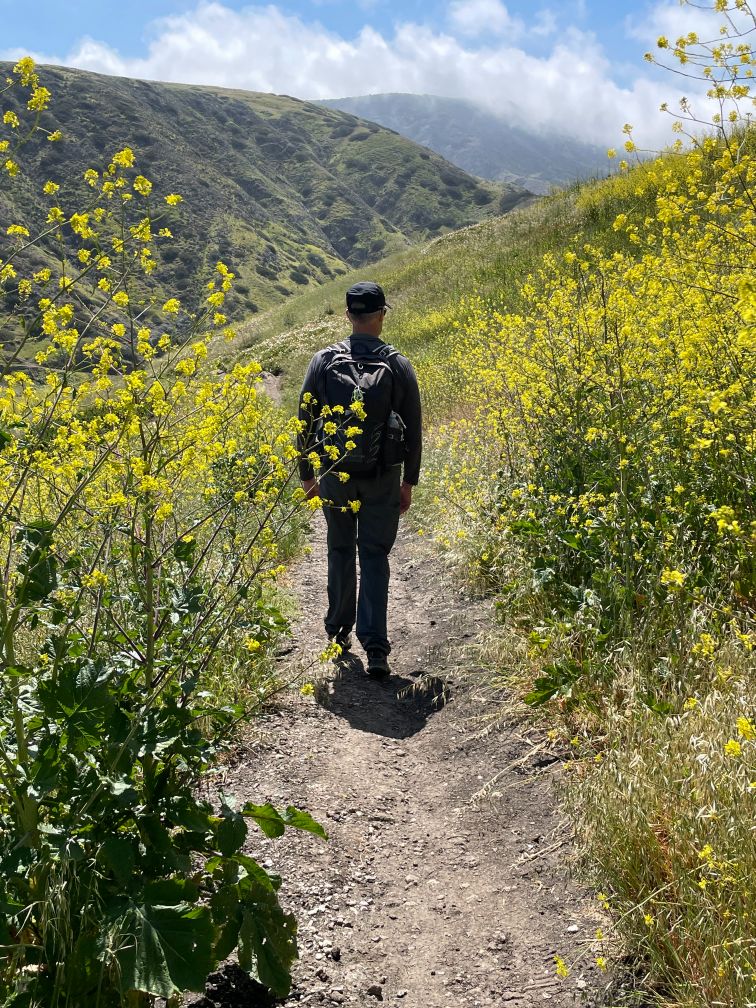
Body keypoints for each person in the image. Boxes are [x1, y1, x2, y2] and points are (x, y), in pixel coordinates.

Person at [298, 281, 422, 677]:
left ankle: (337, 633)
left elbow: (304, 420)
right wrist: (408, 482)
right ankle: (376, 649)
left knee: (338, 549)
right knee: (373, 556)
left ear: (348, 315)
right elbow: (414, 429)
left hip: (335, 475)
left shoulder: (323, 361)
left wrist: (307, 476)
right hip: (384, 475)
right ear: (381, 315)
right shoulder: (398, 364)